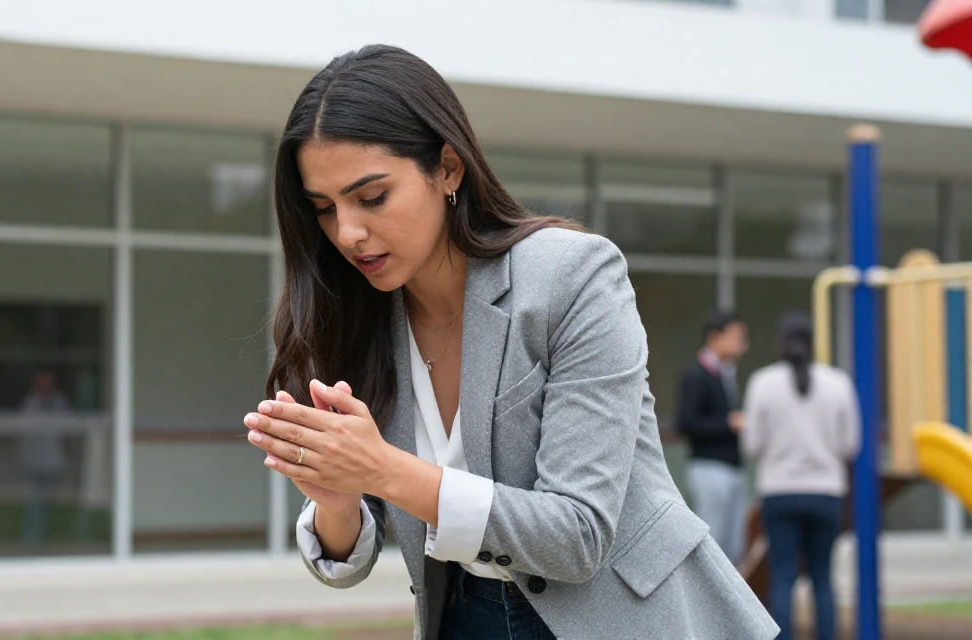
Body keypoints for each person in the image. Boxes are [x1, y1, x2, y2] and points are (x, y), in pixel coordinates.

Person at [241, 45, 777, 640]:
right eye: (323, 209)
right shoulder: (361, 315)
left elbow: (577, 536)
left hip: (624, 617)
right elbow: (350, 562)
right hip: (462, 615)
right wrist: (338, 503)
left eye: (372, 198)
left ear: (448, 167)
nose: (348, 232)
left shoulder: (572, 276)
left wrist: (384, 469)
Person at [742, 312, 860, 640]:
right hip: (826, 493)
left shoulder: (762, 382)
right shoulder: (839, 383)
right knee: (823, 578)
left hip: (779, 491)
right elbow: (850, 444)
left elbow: (752, 445)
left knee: (783, 577)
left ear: (780, 344)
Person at [676, 310, 750, 565]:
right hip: (709, 467)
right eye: (736, 338)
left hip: (731, 468)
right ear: (714, 337)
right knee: (713, 543)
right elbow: (686, 423)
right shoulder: (696, 374)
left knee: (733, 546)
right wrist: (728, 423)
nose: (742, 346)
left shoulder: (726, 374)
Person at [19, 369, 69, 546]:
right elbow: (27, 428)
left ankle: (48, 536)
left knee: (48, 501)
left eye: (48, 382)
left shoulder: (59, 403)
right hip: (33, 460)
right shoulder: (30, 403)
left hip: (52, 460)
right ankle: (31, 537)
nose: (45, 386)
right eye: (42, 382)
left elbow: (61, 429)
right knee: (34, 502)